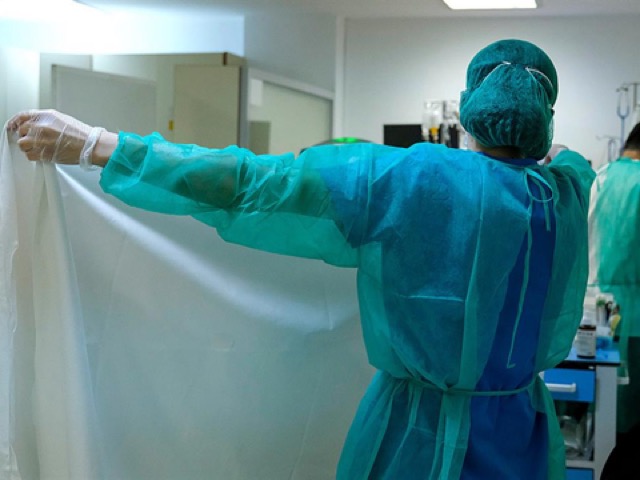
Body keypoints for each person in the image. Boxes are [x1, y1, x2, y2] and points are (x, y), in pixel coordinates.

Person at [8, 39, 594, 479]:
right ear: (544, 115)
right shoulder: (564, 195)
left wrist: (99, 146)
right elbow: (573, 161)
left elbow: (251, 183)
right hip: (523, 437)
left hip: (416, 439)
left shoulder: (415, 180)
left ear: (470, 106)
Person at [589, 122, 640, 478]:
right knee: (630, 419)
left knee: (603, 414)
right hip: (635, 313)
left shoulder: (600, 177)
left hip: (596, 308)